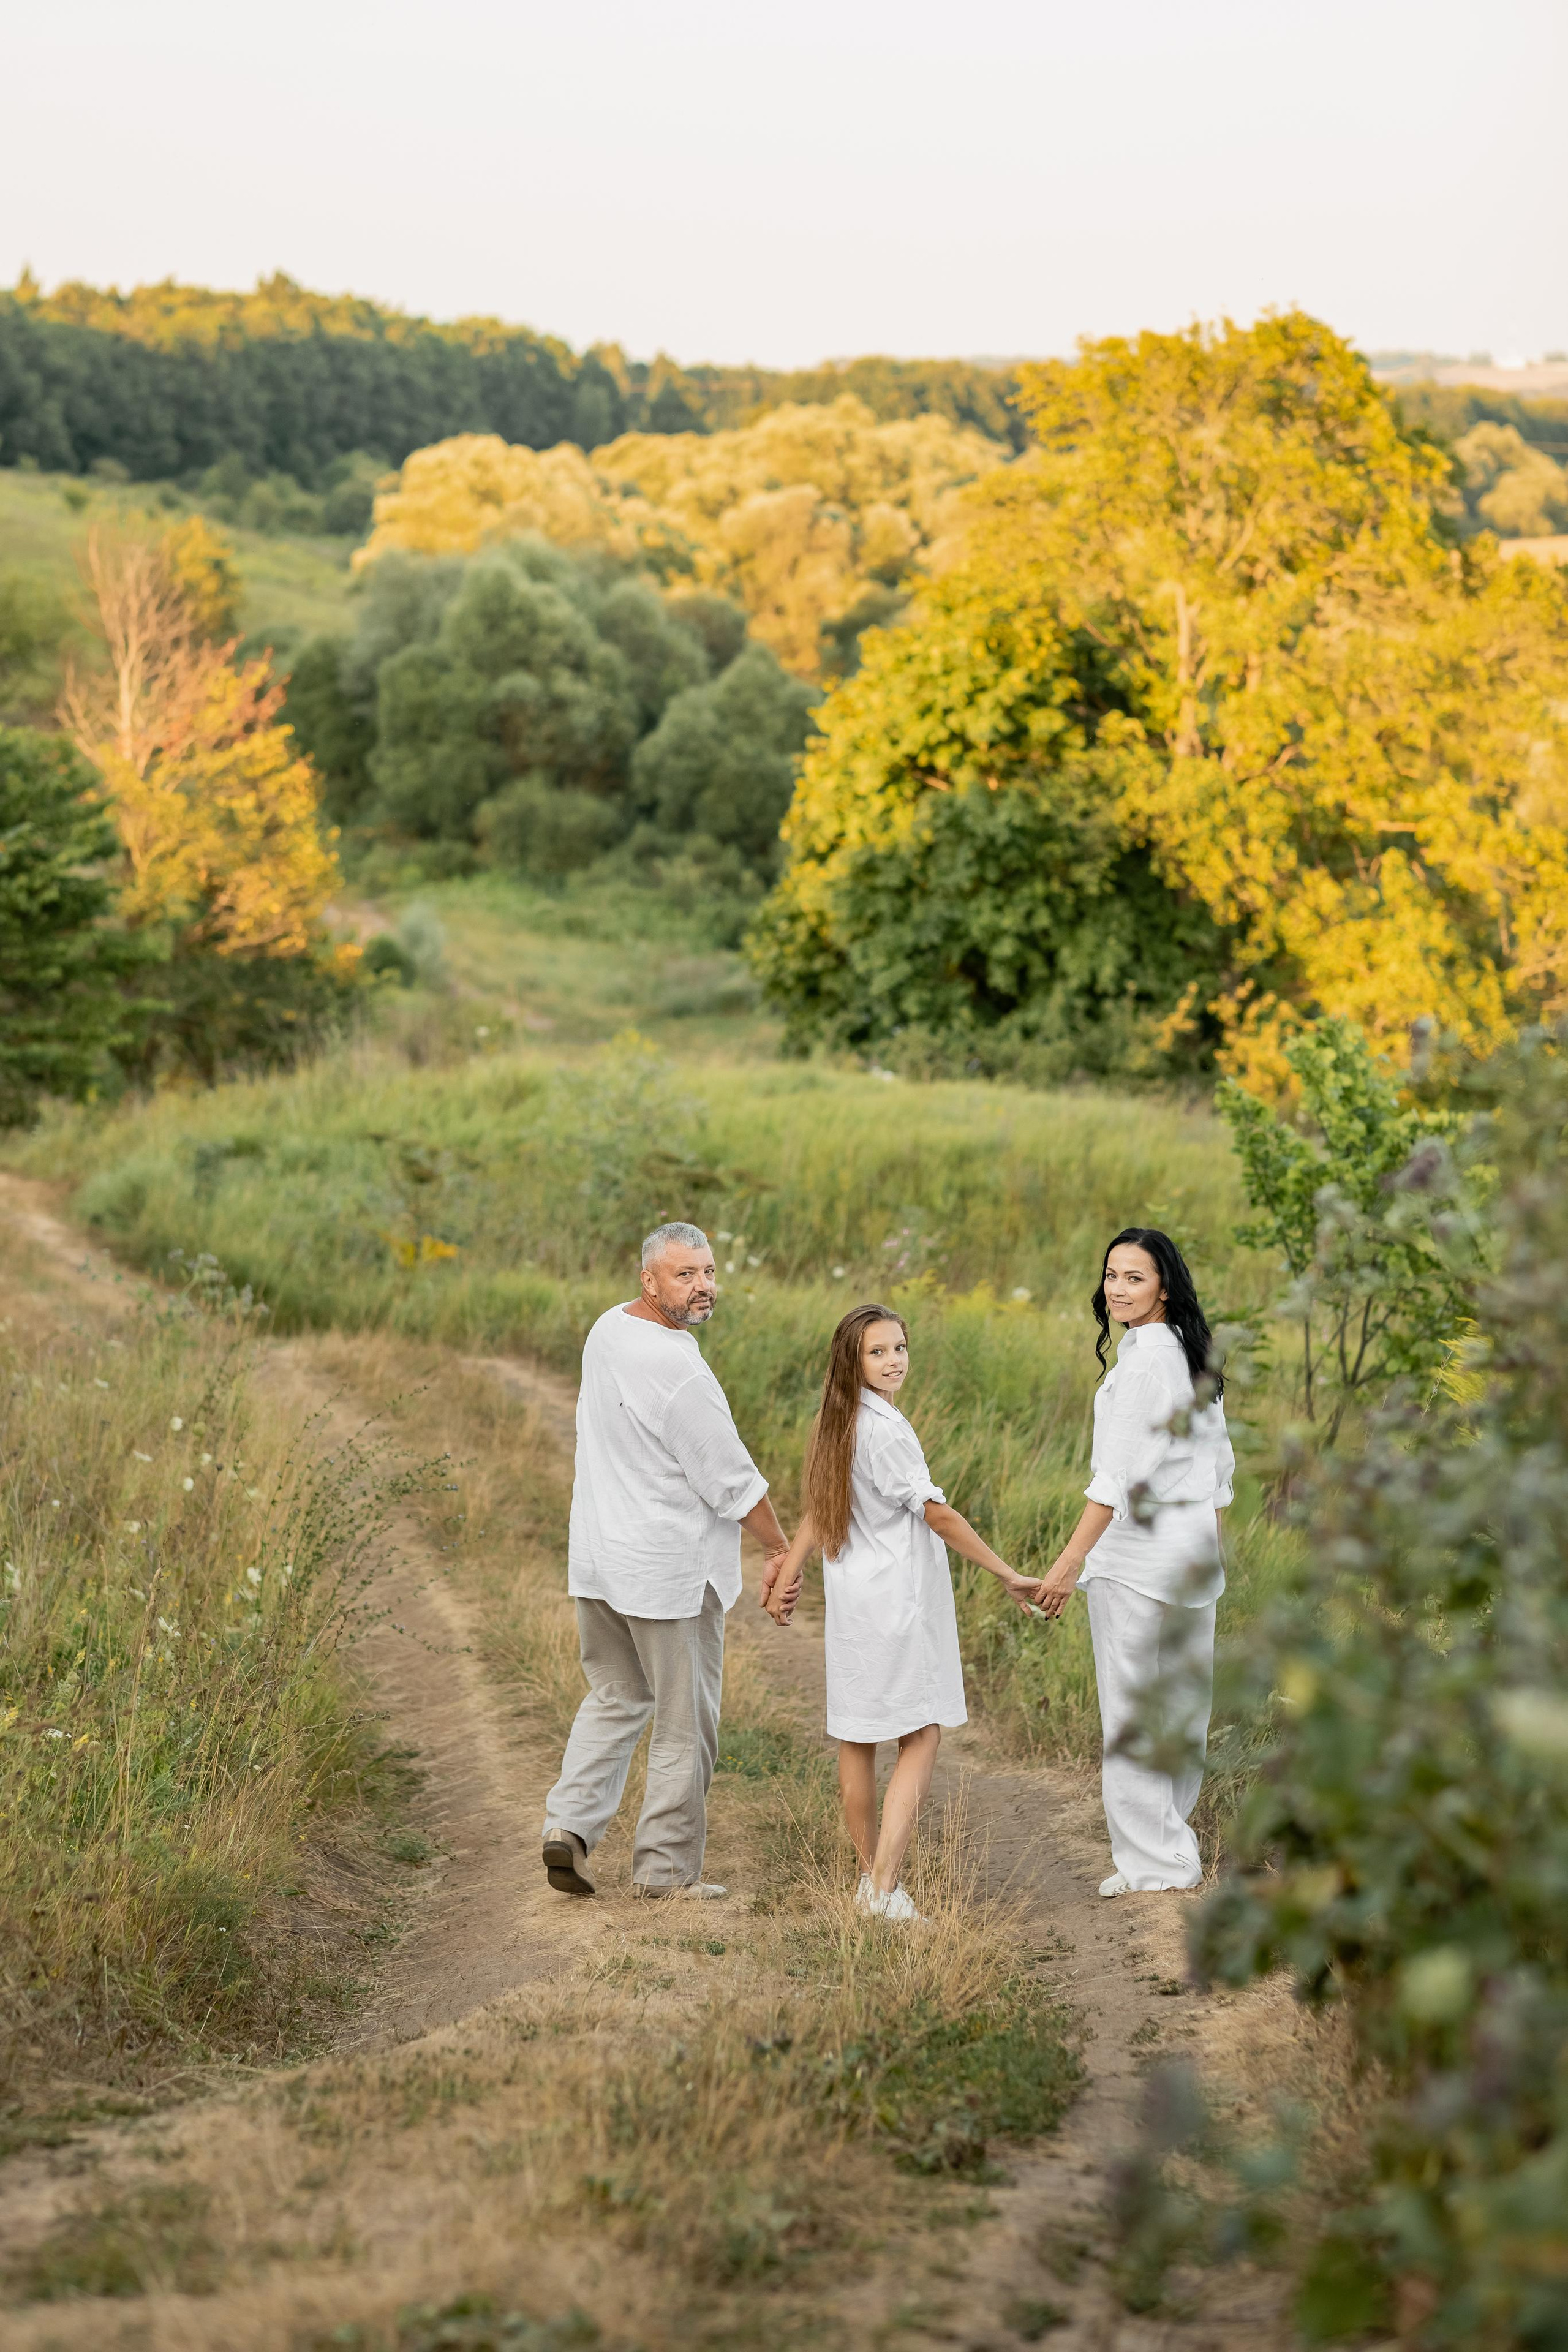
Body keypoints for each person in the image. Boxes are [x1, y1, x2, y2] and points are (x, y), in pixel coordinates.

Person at [764, 1303, 1046, 1921]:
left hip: (854, 1605)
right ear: (852, 1361)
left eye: (899, 1348)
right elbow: (935, 1513)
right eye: (877, 1352)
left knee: (859, 1737)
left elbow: (818, 1507)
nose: (893, 1361)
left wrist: (789, 1573)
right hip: (895, 1603)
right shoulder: (886, 1430)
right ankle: (885, 1886)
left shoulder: (837, 1420)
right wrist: (1005, 1573)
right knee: (920, 1732)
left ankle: (872, 1883)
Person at [541, 1221, 788, 1901]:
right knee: (685, 1725)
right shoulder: (677, 1366)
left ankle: (567, 1828)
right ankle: (666, 1874)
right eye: (685, 1275)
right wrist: (778, 1546)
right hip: (666, 1573)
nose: (704, 1286)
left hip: (600, 1561)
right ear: (648, 1281)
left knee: (616, 1697)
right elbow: (731, 1479)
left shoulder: (607, 1329)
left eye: (708, 1271)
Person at [1038, 1227, 1234, 1898]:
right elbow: (1219, 1475)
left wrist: (1068, 1563)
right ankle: (1169, 1847)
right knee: (1181, 1709)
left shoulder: (1148, 1359)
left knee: (1131, 1711)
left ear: (1164, 1287)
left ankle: (1154, 1861)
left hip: (1136, 1560)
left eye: (1134, 1278)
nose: (1117, 1290)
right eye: (1111, 1276)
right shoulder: (1191, 1352)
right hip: (1189, 1560)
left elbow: (1114, 1480)